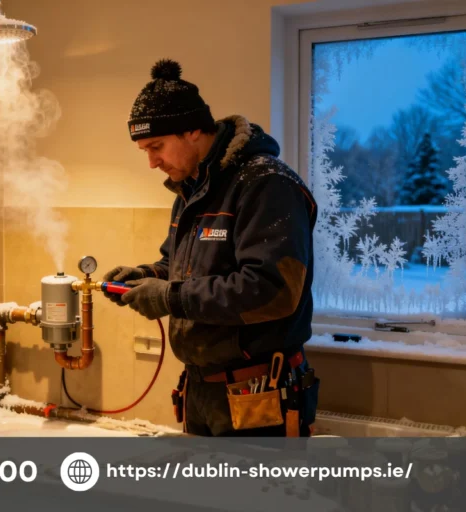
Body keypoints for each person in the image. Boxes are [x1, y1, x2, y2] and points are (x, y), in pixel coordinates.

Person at [103, 59, 319, 437]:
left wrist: (169, 298)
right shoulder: (192, 188)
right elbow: (177, 266)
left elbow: (272, 290)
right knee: (203, 495)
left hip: (256, 391)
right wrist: (144, 277)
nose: (152, 162)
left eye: (157, 147)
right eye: (145, 151)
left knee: (250, 497)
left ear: (192, 131)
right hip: (202, 388)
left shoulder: (265, 184)